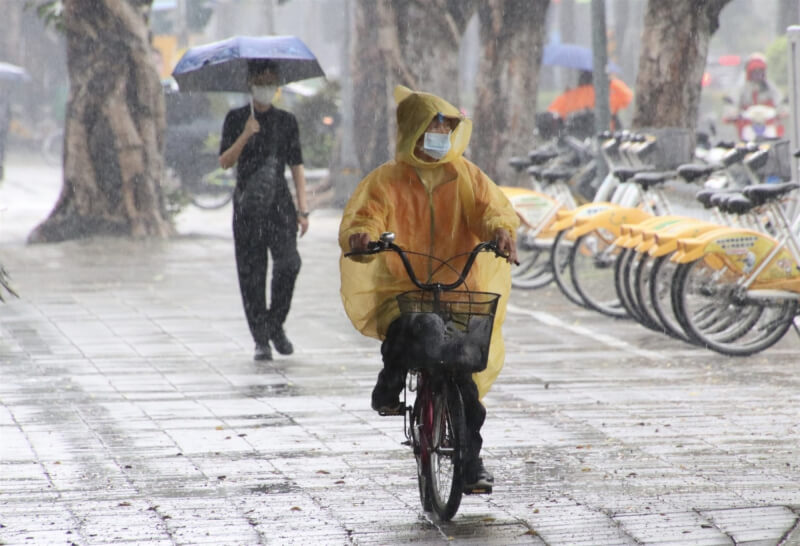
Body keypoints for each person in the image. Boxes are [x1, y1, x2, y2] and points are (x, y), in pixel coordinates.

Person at [339, 85, 519, 491]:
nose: (440, 134)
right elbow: (364, 217)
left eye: (446, 127)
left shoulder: (467, 176)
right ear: (412, 131)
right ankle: (388, 388)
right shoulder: (385, 181)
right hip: (406, 291)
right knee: (411, 331)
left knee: (467, 391)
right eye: (432, 126)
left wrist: (502, 234)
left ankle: (471, 466)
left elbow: (492, 211)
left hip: (460, 293)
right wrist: (362, 237)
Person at [219, 60, 310, 361]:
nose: (266, 86)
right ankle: (261, 339)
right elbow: (225, 162)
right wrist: (245, 135)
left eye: (272, 80)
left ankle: (275, 324)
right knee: (252, 275)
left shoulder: (287, 121)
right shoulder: (236, 118)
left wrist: (303, 209)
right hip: (247, 208)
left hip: (280, 206)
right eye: (261, 80)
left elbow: (296, 166)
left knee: (289, 263)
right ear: (250, 83)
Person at [547, 70, 633, 130]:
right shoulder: (604, 93)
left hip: (576, 136)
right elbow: (627, 96)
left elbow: (552, 112)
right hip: (606, 132)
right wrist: (610, 81)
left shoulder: (569, 96)